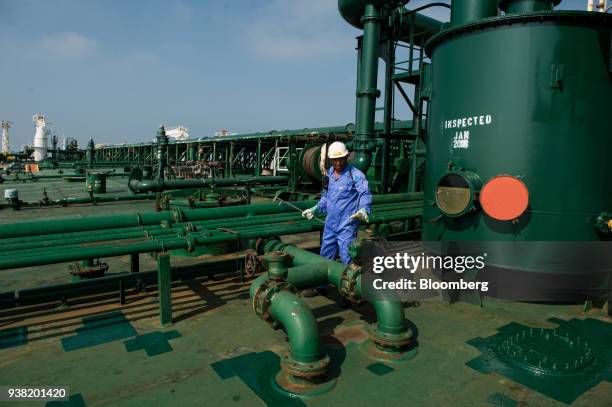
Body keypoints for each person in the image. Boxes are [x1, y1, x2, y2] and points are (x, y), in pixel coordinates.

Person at [302, 141, 372, 265]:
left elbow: (364, 193)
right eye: (335, 160)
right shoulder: (329, 174)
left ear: (346, 157)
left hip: (347, 225)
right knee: (325, 258)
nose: (338, 163)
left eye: (340, 159)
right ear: (331, 160)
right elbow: (326, 196)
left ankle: (349, 283)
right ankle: (322, 284)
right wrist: (315, 208)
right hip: (330, 225)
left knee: (348, 258)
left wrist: (363, 209)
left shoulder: (355, 175)